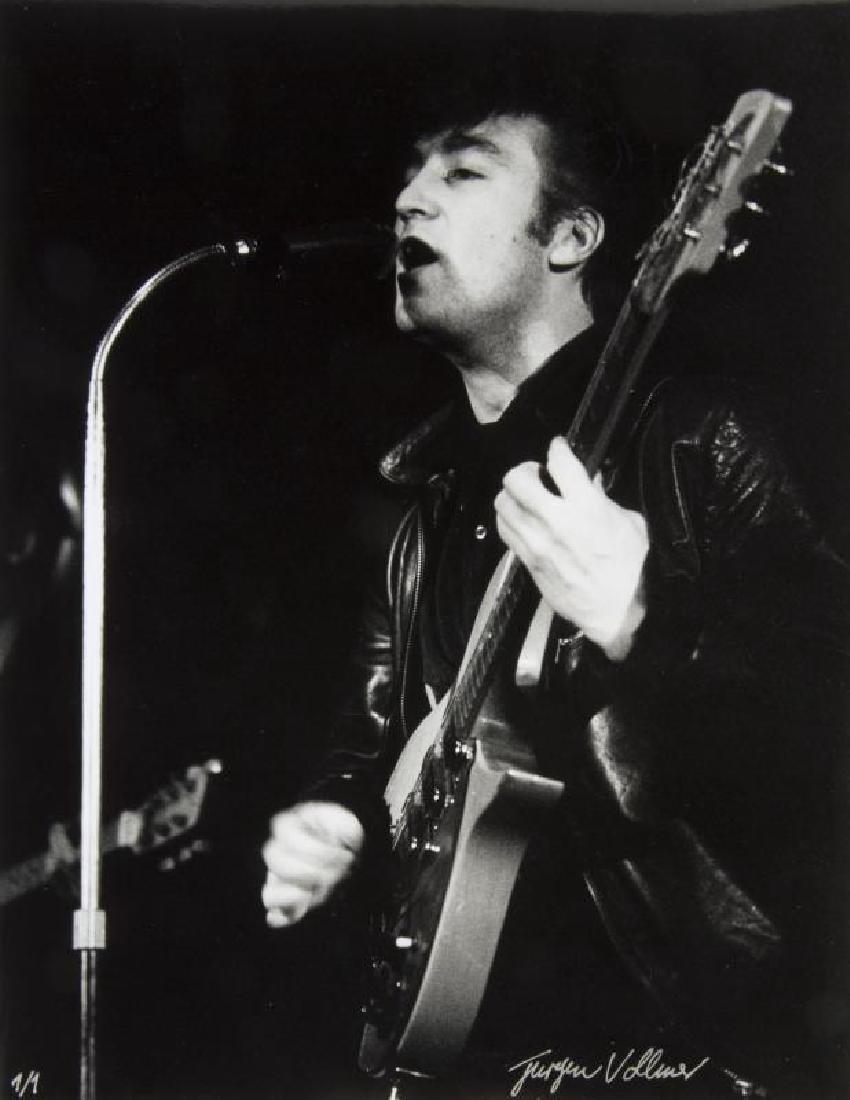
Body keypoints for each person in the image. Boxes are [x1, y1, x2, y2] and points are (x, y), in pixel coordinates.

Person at [261, 89, 848, 1098]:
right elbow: (370, 749)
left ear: (571, 235)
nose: (407, 198)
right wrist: (336, 821)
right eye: (410, 172)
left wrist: (643, 615)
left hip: (682, 1052)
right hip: (460, 1055)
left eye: (462, 169)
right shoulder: (425, 513)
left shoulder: (699, 434)